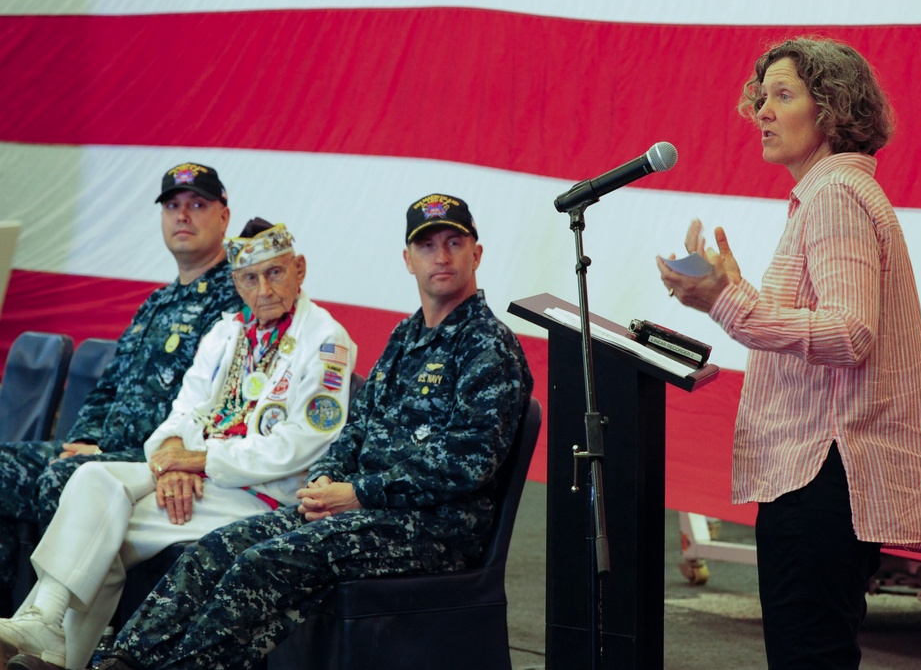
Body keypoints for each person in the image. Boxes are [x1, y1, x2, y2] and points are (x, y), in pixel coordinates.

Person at [63, 193, 533, 670]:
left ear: (477, 253)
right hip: (361, 510)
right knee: (215, 550)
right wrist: (325, 482)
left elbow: (467, 463)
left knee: (261, 564)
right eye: (428, 245)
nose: (442, 256)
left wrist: (359, 493)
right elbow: (354, 432)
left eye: (455, 242)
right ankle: (121, 661)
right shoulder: (404, 336)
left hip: (434, 527)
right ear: (408, 260)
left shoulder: (488, 346)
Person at [656, 37, 921, 669]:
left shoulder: (835, 198)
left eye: (783, 96)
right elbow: (824, 326)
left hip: (821, 475)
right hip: (824, 476)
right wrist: (728, 291)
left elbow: (849, 333)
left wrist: (725, 303)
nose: (762, 110)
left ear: (833, 111)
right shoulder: (831, 196)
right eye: (762, 97)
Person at [0, 219, 357, 670]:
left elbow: (302, 443)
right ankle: (48, 633)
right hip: (199, 475)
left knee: (103, 532)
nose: (264, 288)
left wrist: (200, 461)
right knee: (91, 478)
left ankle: (50, 638)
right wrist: (175, 462)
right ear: (236, 283)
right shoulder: (226, 332)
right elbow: (183, 411)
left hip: (260, 494)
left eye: (276, 272)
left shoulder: (326, 339)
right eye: (250, 277)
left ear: (299, 269)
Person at [0, 163, 242, 613]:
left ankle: (58, 635)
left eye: (197, 205)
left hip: (155, 459)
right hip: (104, 448)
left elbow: (219, 405)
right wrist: (84, 438)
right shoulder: (157, 302)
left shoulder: (236, 300)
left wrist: (110, 456)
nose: (182, 216)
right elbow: (109, 385)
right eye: (172, 206)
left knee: (65, 479)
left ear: (223, 216)